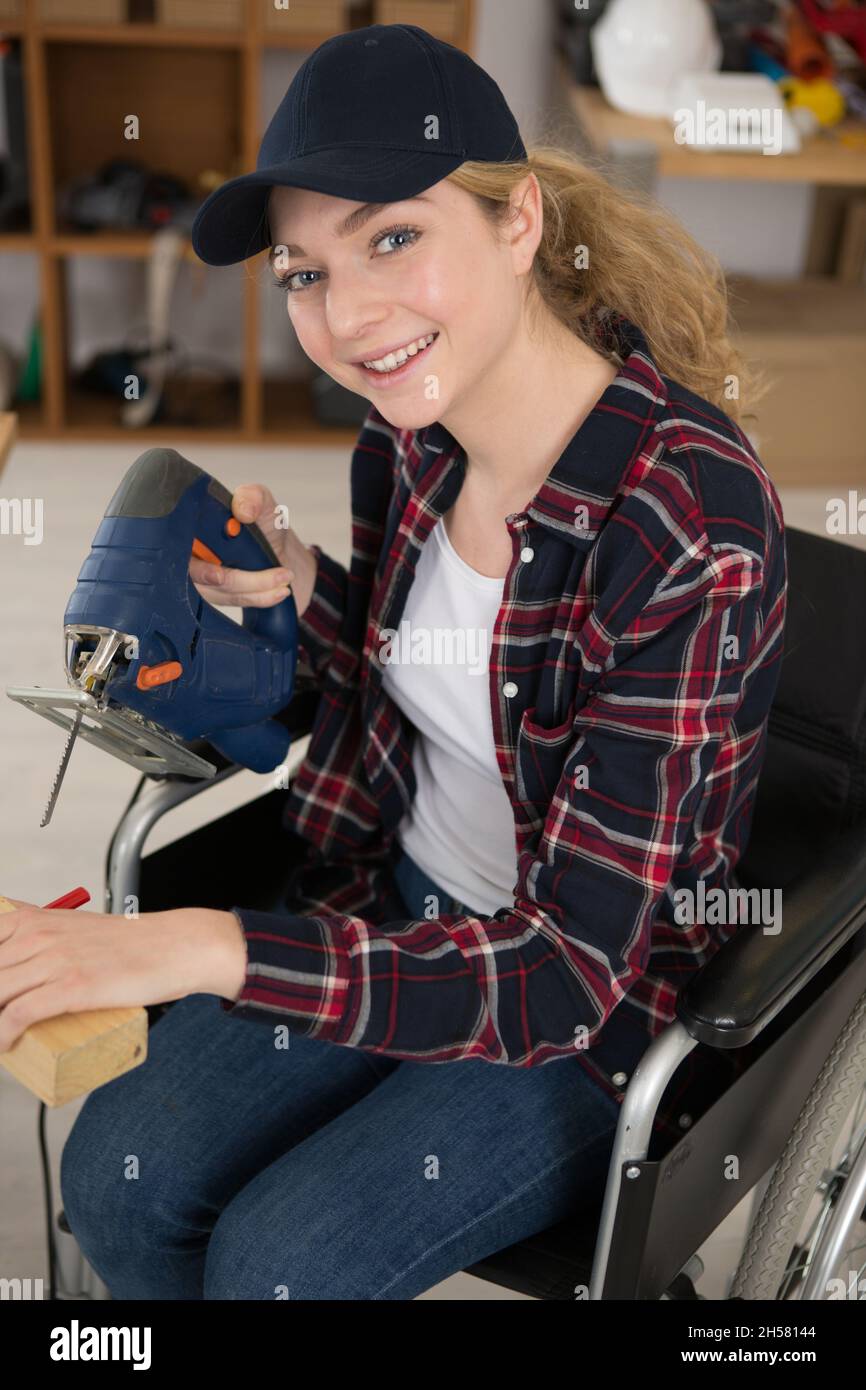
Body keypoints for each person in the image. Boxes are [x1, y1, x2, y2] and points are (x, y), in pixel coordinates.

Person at [48, 24, 788, 1299]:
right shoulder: (412, 433)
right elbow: (450, 677)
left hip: (579, 1010)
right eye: (303, 271)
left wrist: (199, 947)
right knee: (119, 1175)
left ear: (517, 224)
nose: (347, 317)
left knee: (279, 1263)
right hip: (394, 896)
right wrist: (314, 596)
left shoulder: (689, 522)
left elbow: (563, 965)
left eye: (393, 237)